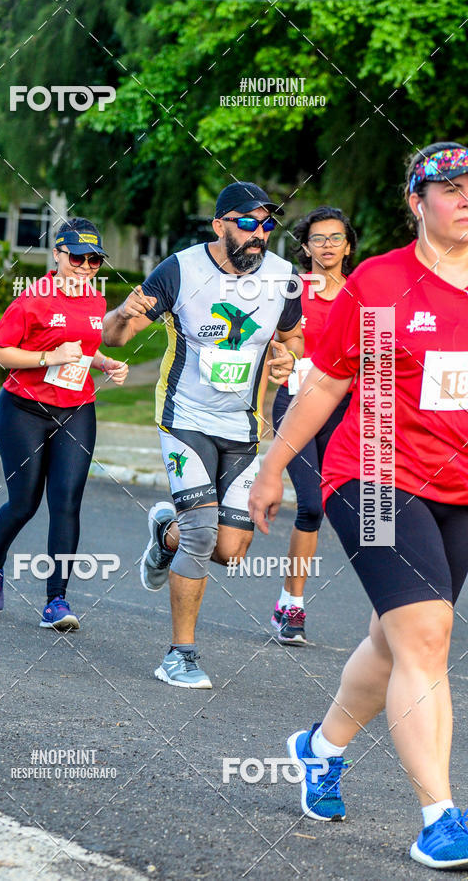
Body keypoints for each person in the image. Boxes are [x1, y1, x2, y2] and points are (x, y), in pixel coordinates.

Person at [248, 142, 468, 869]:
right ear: (416, 201)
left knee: (394, 639)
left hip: (459, 489)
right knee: (428, 634)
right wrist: (272, 467)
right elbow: (329, 384)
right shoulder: (380, 285)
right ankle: (440, 817)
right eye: (450, 187)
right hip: (374, 475)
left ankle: (318, 749)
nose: (465, 197)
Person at [103, 182, 303, 688]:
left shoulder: (284, 278)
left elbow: (291, 336)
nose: (259, 234)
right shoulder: (181, 269)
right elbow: (115, 335)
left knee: (230, 549)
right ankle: (180, 654)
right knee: (200, 532)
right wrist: (122, 316)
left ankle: (162, 534)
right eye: (248, 222)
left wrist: (288, 356)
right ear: (219, 225)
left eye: (266, 224)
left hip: (243, 427)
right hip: (185, 417)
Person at [0, 217, 128, 630]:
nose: (85, 267)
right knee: (24, 502)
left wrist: (104, 362)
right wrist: (49, 358)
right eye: (78, 257)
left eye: (95, 260)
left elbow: (83, 349)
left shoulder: (96, 301)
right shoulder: (33, 299)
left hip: (76, 410)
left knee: (66, 502)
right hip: (23, 410)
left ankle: (56, 602)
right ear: (58, 254)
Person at [271, 206, 357, 644]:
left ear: (347, 244)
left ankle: (395, 611)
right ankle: (291, 606)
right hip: (296, 403)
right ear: (305, 246)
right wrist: (278, 357)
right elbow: (270, 338)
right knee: (311, 505)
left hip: (344, 411)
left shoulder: (363, 294)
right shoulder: (291, 289)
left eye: (335, 237)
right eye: (318, 238)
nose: (327, 245)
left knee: (365, 514)